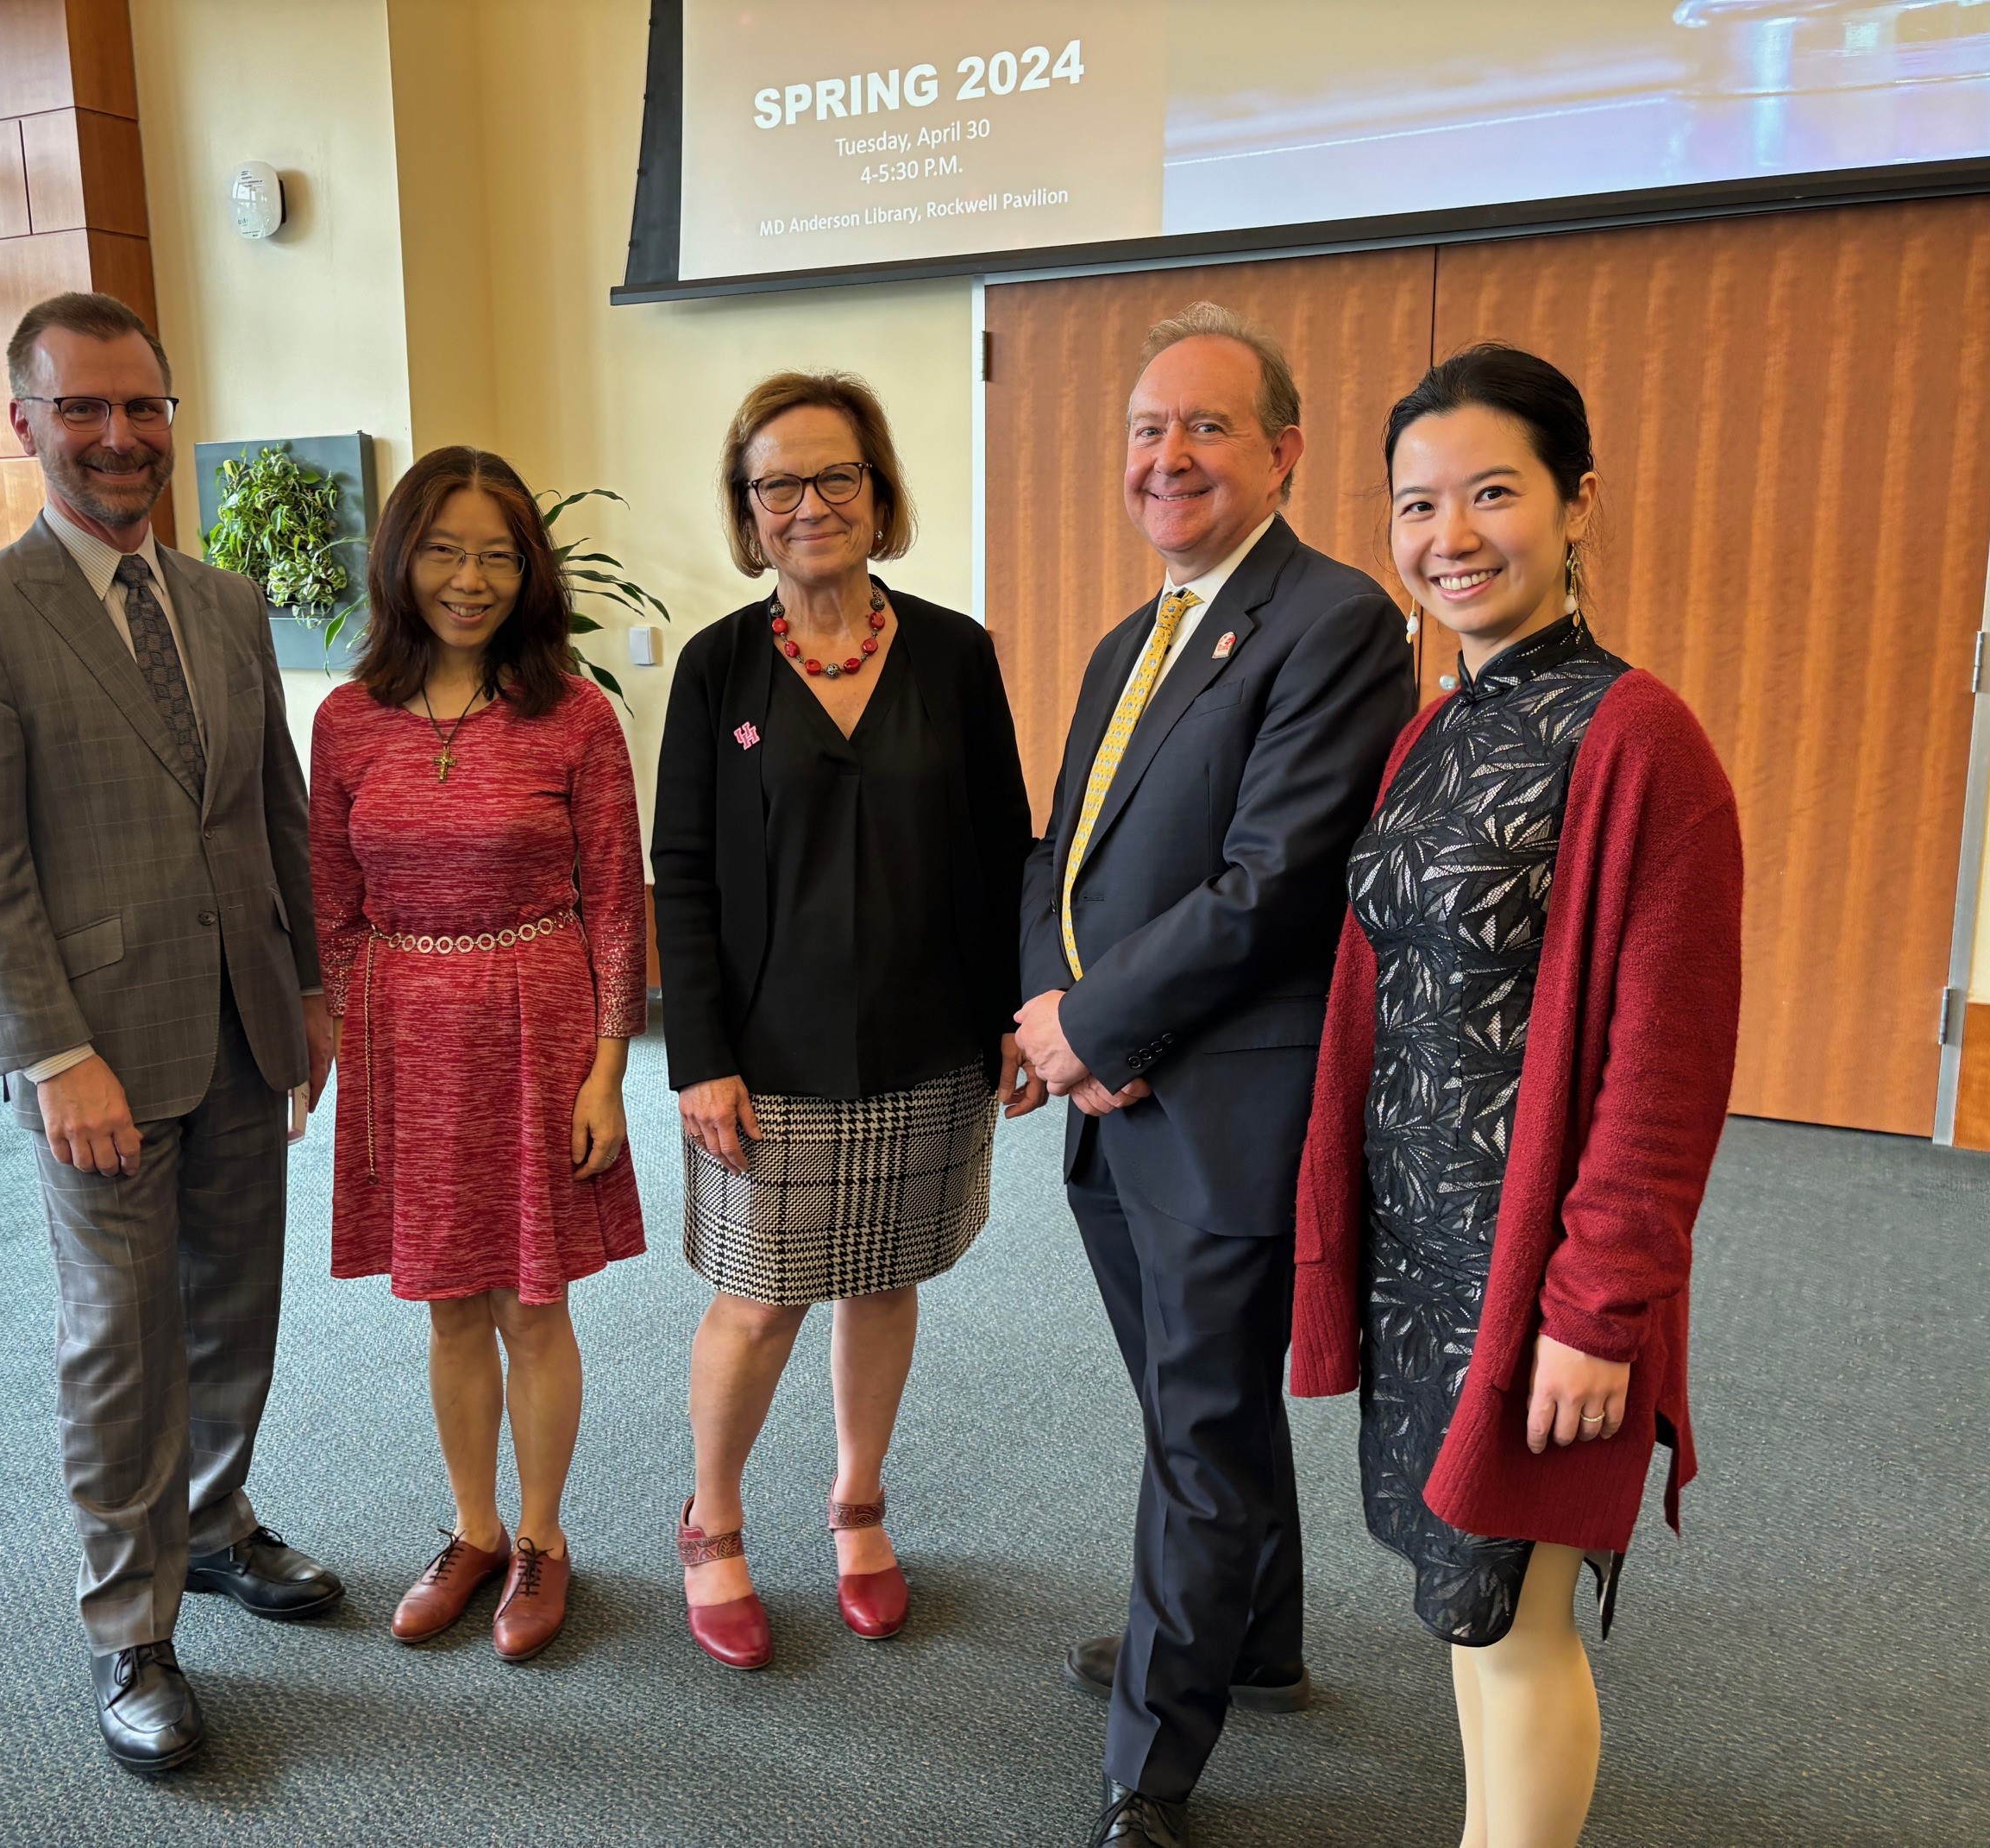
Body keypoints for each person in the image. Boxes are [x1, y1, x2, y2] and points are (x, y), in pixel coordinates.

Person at [1292, 344, 1742, 1847]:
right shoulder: (1433, 728)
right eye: (1418, 504)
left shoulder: (1638, 739)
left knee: (1519, 1616)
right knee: (1470, 1605)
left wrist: (1598, 1306)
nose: (1451, 536)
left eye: (1493, 492)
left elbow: (1667, 1071)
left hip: (1537, 1270)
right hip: (1427, 1251)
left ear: (1577, 503)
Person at [0, 292, 342, 1776]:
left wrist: (314, 989)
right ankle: (128, 1626)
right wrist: (49, 1052)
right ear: (25, 423)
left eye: (141, 407)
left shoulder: (220, 601)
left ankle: (212, 1526)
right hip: (91, 1051)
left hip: (239, 1024)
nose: (117, 436)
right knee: (121, 1338)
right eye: (81, 409)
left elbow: (269, 808)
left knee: (235, 1309)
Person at [1015, 303, 1416, 1847]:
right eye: (1144, 429)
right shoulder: (1138, 633)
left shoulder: (1336, 620)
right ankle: (1253, 1635)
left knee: (1195, 1421)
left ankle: (1150, 1769)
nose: (1164, 457)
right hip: (1115, 1090)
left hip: (1222, 1101)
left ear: (1284, 451)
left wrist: (1099, 1029)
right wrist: (1051, 1007)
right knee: (1198, 1404)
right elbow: (1065, 850)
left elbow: (1275, 883)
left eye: (1203, 427)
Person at [652, 371, 1041, 1671]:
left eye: (837, 478)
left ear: (878, 494)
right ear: (748, 511)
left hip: (929, 1036)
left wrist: (1012, 1013)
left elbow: (1003, 848)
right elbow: (686, 874)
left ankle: (858, 1500)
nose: (810, 504)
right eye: (780, 484)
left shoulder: (955, 650)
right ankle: (713, 1517)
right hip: (768, 1058)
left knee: (885, 1274)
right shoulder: (717, 669)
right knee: (758, 1302)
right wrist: (698, 1054)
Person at [308, 445, 646, 1664]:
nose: (471, 577)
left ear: (531, 571)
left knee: (532, 1301)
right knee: (450, 1305)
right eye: (446, 549)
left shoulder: (576, 713)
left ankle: (545, 1539)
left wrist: (608, 1067)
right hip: (408, 1032)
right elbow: (332, 905)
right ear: (402, 557)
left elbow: (615, 904)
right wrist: (352, 1057)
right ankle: (474, 1528)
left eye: (500, 554)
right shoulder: (344, 721)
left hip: (540, 1023)